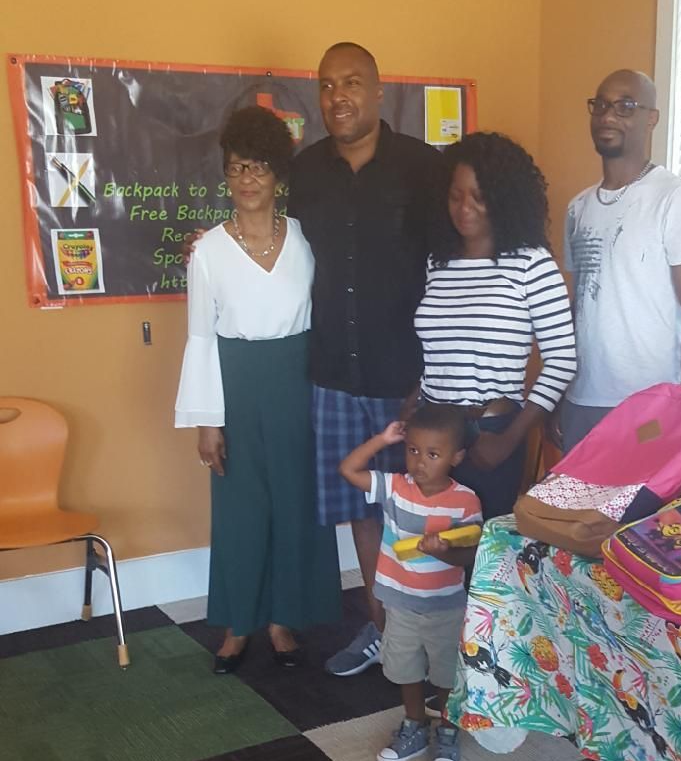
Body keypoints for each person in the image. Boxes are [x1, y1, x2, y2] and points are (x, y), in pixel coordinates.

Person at [289, 43, 445, 679]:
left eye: (351, 82)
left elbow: (448, 270)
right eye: (327, 86)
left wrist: (431, 376)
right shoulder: (304, 172)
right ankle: (382, 632)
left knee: (419, 510)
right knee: (359, 509)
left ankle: (432, 636)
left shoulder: (423, 168)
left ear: (379, 92)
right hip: (332, 373)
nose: (338, 97)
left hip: (405, 377)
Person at [175, 106, 341, 673]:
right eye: (236, 167)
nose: (247, 179)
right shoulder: (207, 252)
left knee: (295, 506)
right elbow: (201, 337)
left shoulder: (305, 239)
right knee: (242, 511)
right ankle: (238, 625)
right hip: (237, 385)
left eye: (259, 167)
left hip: (298, 384)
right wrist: (207, 421)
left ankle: (282, 621)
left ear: (278, 175)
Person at [413, 131, 576, 518]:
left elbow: (562, 361)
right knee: (432, 544)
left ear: (503, 198)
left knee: (484, 546)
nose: (464, 208)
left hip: (490, 433)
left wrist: (510, 439)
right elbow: (442, 349)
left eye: (479, 196)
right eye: (455, 196)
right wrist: (414, 401)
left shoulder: (532, 264)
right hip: (433, 435)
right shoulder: (439, 262)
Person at [558, 69, 681, 454]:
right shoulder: (578, 208)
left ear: (652, 118)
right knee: (575, 494)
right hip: (582, 400)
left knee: (639, 495)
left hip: (649, 404)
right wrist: (560, 393)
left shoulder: (679, 200)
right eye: (600, 105)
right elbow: (578, 306)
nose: (608, 116)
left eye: (625, 106)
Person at [339, 404, 482, 761]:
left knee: (446, 675)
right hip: (399, 604)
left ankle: (447, 730)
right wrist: (382, 439)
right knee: (406, 670)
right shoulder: (395, 488)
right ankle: (414, 725)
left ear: (456, 457)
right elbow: (349, 470)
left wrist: (444, 551)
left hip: (445, 607)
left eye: (433, 454)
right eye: (413, 450)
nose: (420, 462)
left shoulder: (465, 501)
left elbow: (471, 554)